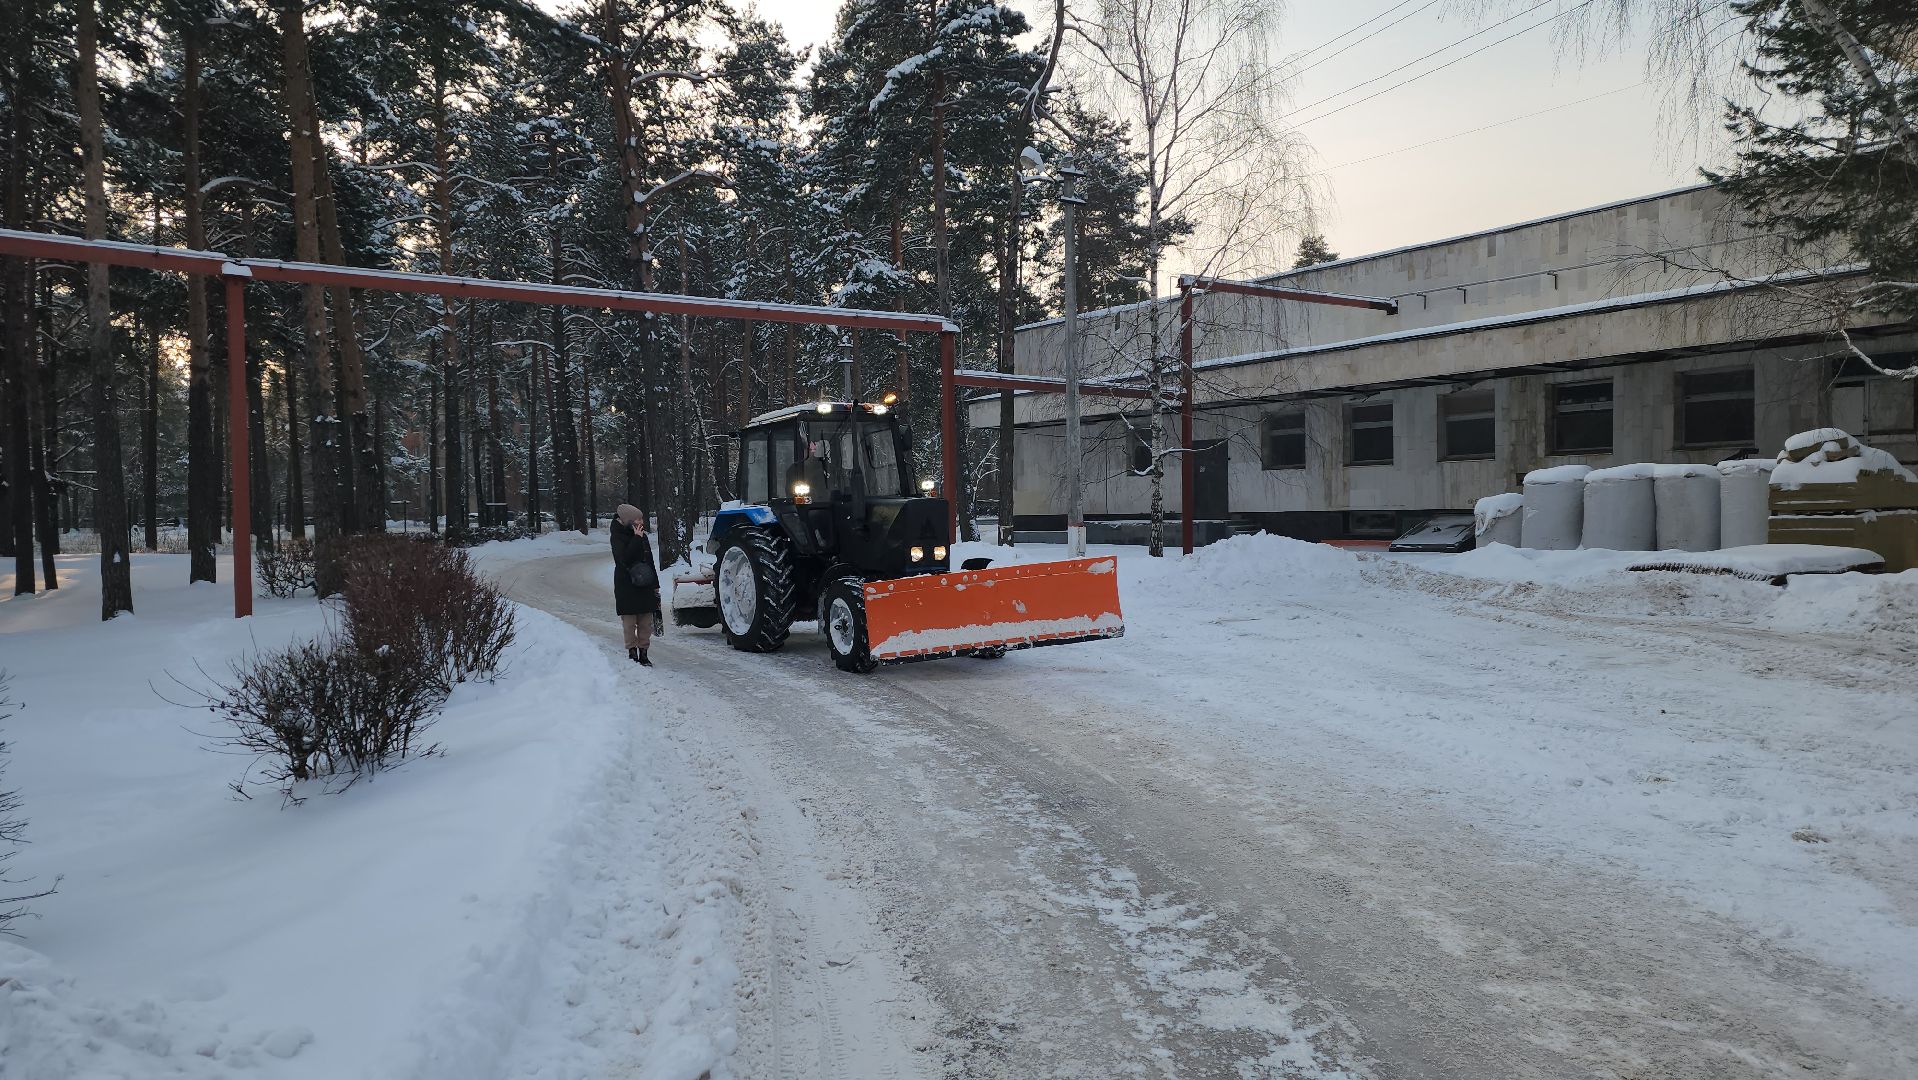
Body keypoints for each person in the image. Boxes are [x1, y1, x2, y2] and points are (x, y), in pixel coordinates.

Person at [611, 503, 662, 666]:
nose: (642, 521)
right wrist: (636, 539)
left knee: (645, 622)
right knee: (629, 622)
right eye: (638, 518)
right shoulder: (617, 536)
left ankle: (644, 653)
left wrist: (655, 583)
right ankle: (632, 652)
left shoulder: (642, 535)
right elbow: (623, 559)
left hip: (645, 584)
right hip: (627, 585)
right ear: (629, 520)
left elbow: (650, 560)